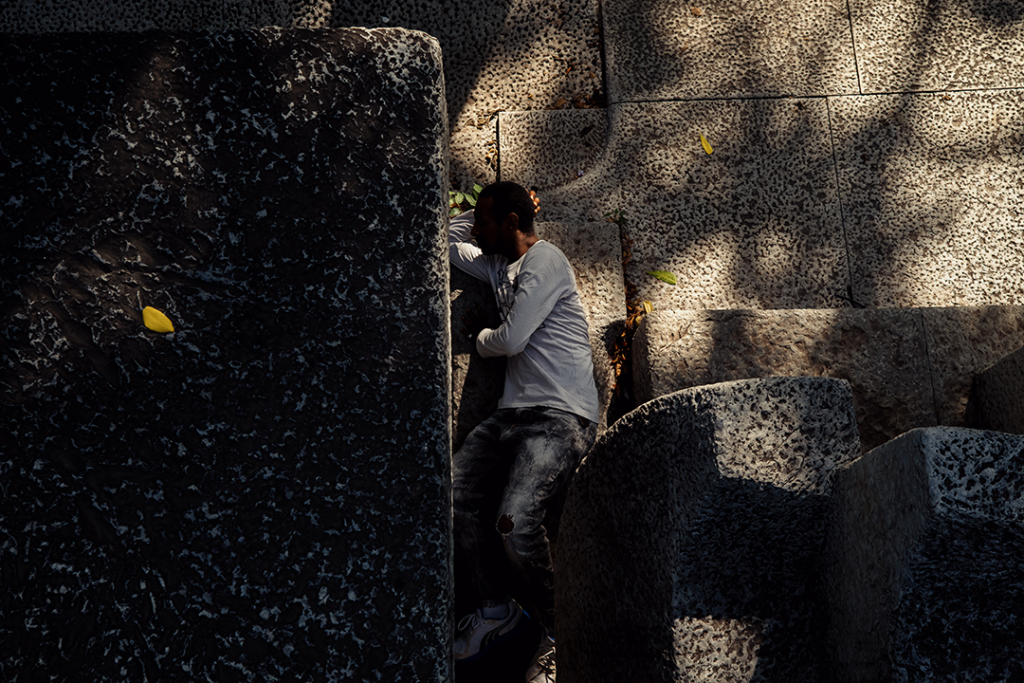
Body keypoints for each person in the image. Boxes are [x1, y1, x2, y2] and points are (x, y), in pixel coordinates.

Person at [448, 181, 599, 670]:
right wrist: (478, 209)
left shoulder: (547, 260)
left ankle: (559, 631)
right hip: (510, 415)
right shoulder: (495, 262)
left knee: (512, 523)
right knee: (454, 495)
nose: (475, 228)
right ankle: (495, 611)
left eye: (485, 220)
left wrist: (479, 337)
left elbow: (510, 340)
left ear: (512, 224)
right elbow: (447, 241)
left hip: (560, 417)